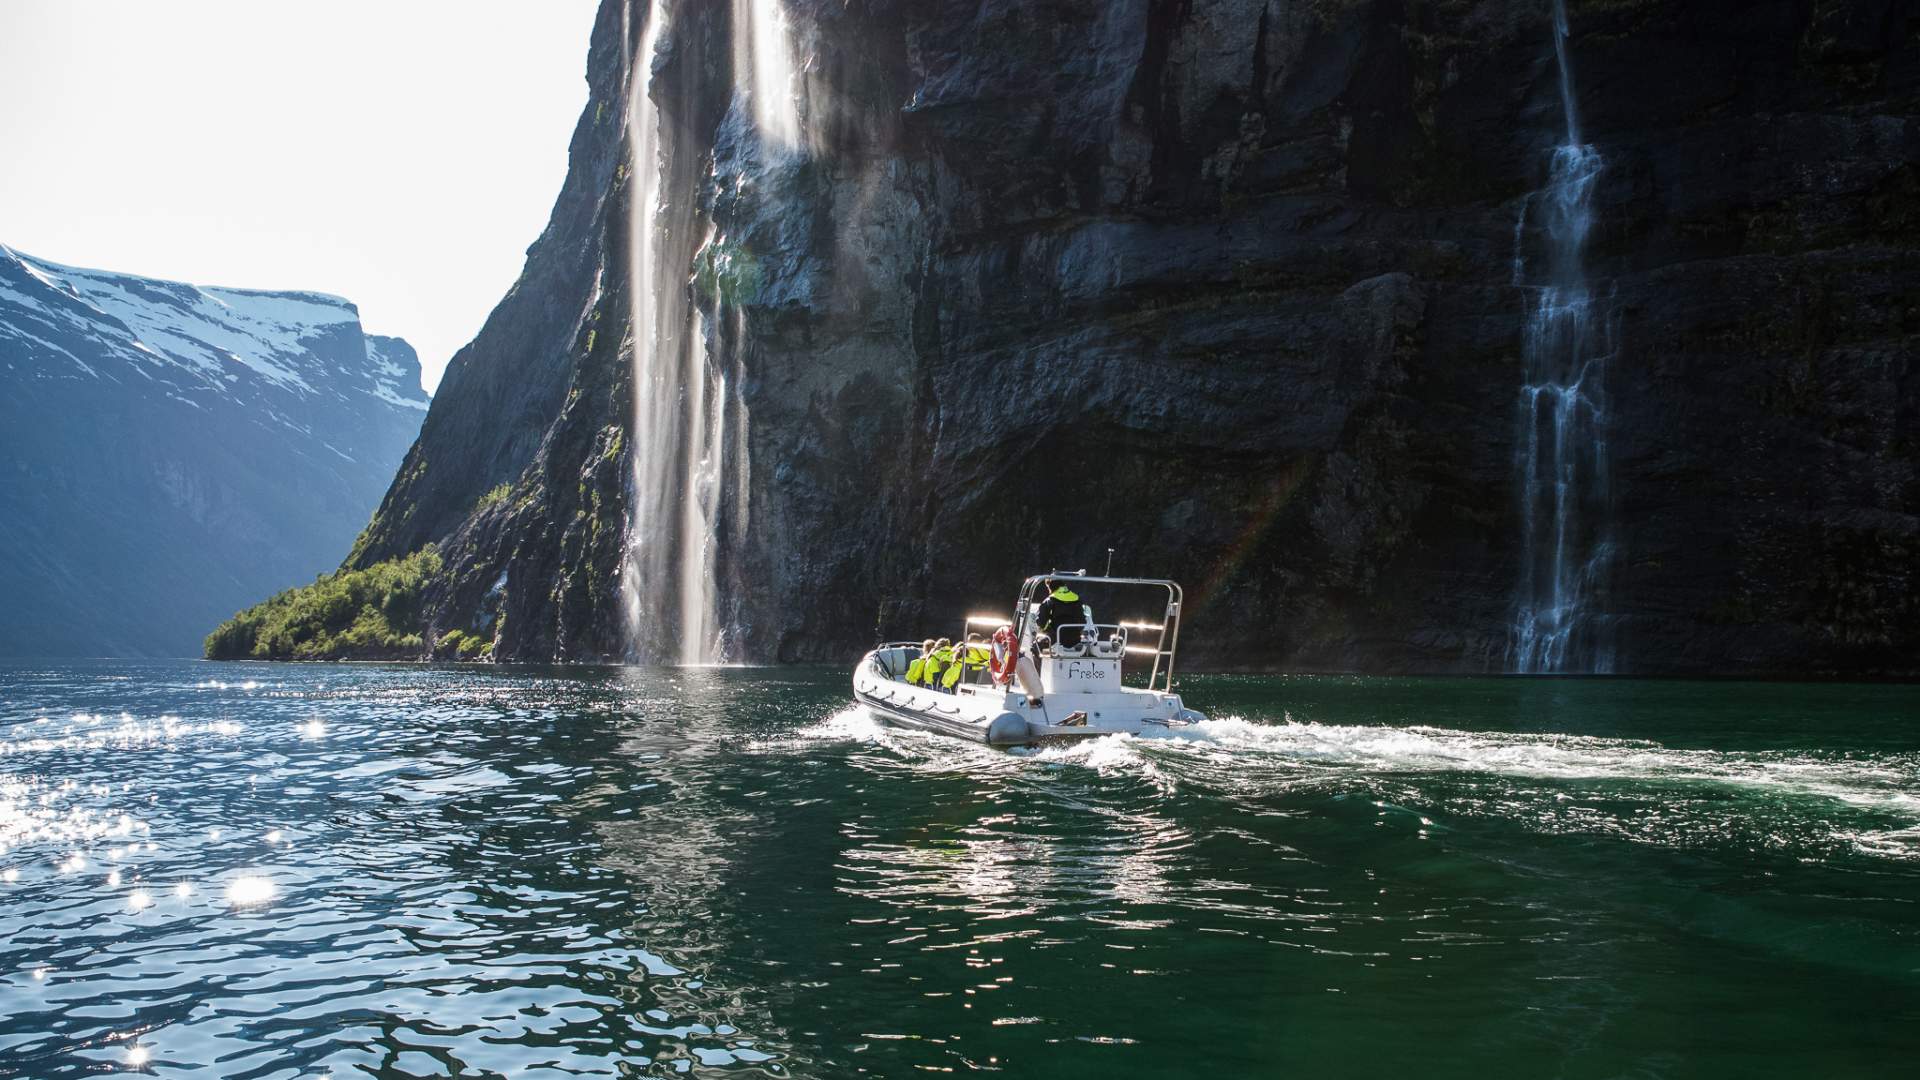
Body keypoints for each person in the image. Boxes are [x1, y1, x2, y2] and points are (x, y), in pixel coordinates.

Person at [1033, 578, 1093, 648]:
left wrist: (1043, 627)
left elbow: (1042, 623)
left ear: (1050, 587)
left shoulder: (1050, 601)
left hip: (1056, 639)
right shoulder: (1077, 599)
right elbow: (1082, 621)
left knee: (1035, 645)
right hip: (1075, 639)